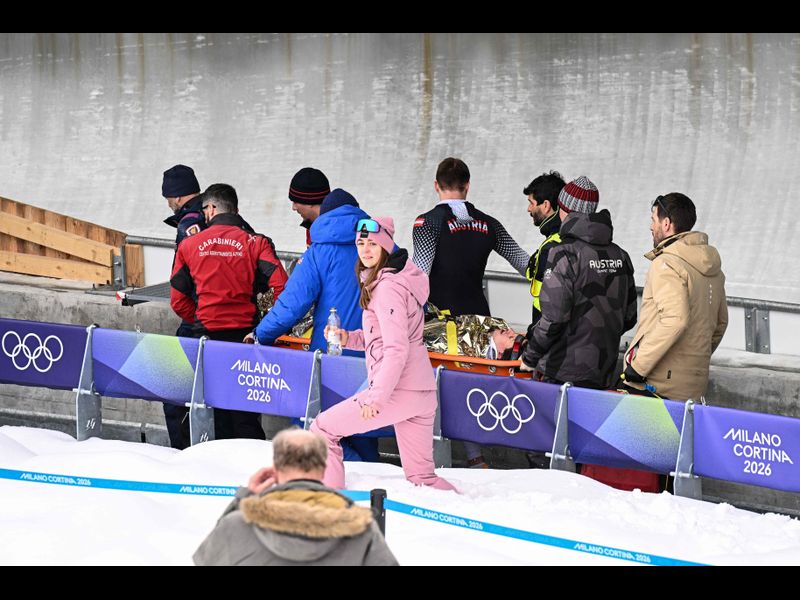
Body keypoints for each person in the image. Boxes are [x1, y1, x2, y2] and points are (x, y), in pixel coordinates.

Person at [311, 217, 457, 491]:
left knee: (322, 430)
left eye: (373, 244)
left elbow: (396, 348)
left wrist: (376, 397)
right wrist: (348, 338)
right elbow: (387, 337)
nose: (365, 250)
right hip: (420, 391)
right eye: (360, 243)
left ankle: (331, 498)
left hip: (398, 390)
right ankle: (463, 508)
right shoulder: (395, 280)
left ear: (386, 247)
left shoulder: (388, 287)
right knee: (423, 478)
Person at [250, 189, 379, 462]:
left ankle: (351, 473)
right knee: (364, 429)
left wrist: (261, 335)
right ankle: (372, 478)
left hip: (331, 358)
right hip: (374, 358)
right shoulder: (383, 247)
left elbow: (291, 306)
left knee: (312, 426)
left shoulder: (319, 252)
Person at [170, 183, 288, 440]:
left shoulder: (189, 245)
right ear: (235, 210)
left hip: (206, 339)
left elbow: (178, 300)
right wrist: (267, 326)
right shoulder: (256, 242)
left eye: (205, 209)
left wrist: (199, 318)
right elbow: (283, 287)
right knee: (245, 414)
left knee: (212, 411)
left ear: (211, 209)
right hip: (245, 340)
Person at [193, 429, 398, 566]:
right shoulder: (360, 529)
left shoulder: (239, 524)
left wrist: (243, 499)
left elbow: (207, 560)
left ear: (275, 468)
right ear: (324, 468)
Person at [520, 176, 638, 390]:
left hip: (562, 373)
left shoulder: (564, 253)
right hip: (603, 371)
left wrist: (529, 357)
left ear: (564, 209)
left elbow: (554, 318)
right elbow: (629, 318)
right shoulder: (621, 255)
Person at [622, 193, 728, 401]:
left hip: (657, 384)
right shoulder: (714, 271)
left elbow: (675, 319)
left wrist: (638, 367)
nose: (651, 227)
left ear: (666, 223)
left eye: (653, 220)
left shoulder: (666, 263)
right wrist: (694, 361)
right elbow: (721, 323)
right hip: (694, 384)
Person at [412, 157, 529, 316]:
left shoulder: (427, 223)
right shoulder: (490, 223)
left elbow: (419, 277)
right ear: (467, 185)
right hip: (480, 317)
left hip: (441, 321)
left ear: (436, 185)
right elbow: (525, 264)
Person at [161, 164, 205, 449]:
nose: (168, 203)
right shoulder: (219, 211)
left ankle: (182, 454)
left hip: (199, 321)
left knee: (174, 392)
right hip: (235, 321)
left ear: (176, 196)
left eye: (168, 197)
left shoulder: (188, 224)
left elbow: (182, 280)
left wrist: (193, 318)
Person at [523, 171, 566, 327]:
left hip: (546, 334)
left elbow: (549, 306)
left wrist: (534, 336)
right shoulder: (564, 237)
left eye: (531, 203)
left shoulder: (551, 248)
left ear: (546, 205)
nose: (529, 209)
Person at [287, 167, 330, 247]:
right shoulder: (312, 225)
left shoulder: (336, 229)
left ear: (310, 201)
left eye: (295, 201)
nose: (293, 208)